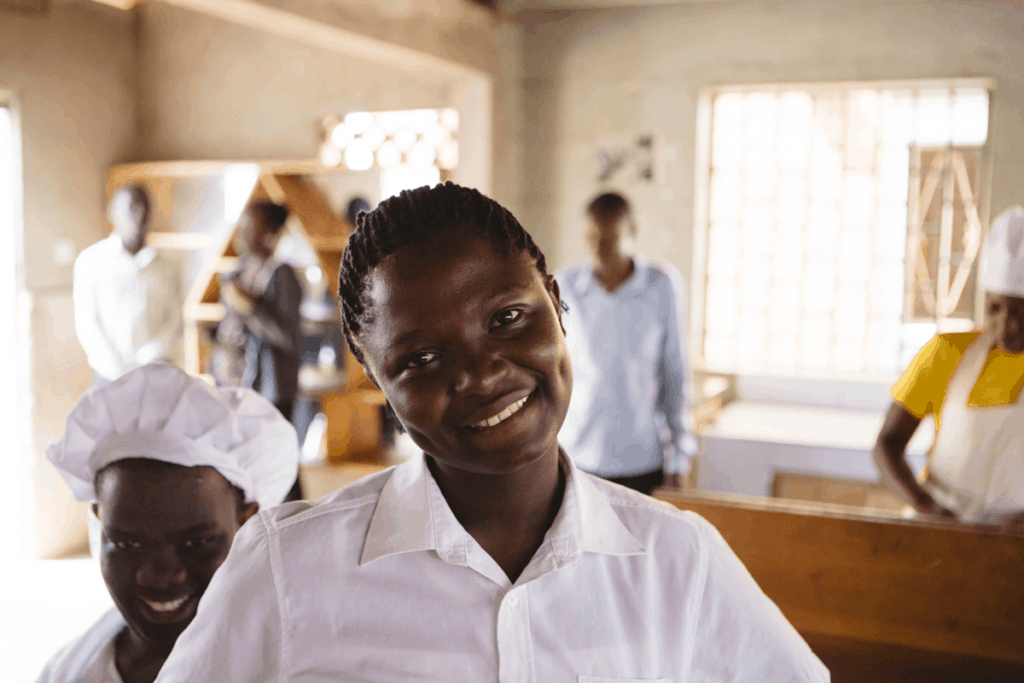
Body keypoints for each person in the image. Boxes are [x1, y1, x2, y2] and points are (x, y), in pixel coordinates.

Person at [154, 183, 826, 682]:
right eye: (419, 359)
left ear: (558, 305)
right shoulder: (285, 568)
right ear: (379, 381)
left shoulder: (677, 561)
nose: (479, 374)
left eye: (507, 317)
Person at [38, 363, 299, 683]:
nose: (159, 575)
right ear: (99, 519)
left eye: (195, 543)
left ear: (246, 523)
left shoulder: (293, 666)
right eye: (127, 543)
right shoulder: (65, 674)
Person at [874, 205, 1024, 526]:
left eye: (1023, 312)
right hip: (938, 531)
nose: (1008, 324)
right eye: (996, 308)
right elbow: (887, 444)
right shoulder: (945, 353)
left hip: (1014, 548)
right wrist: (925, 505)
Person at [556, 192, 696, 495]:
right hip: (578, 456)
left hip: (642, 459)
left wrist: (680, 456)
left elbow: (675, 372)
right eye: (591, 237)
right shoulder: (564, 286)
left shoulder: (662, 285)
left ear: (632, 234)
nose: (599, 248)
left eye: (610, 238)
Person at [73, 185, 183, 387]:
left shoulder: (168, 265)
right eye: (132, 208)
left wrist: (146, 362)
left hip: (156, 375)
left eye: (144, 208)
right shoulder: (91, 261)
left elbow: (175, 320)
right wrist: (119, 371)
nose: (139, 215)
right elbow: (88, 323)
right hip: (109, 378)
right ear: (113, 212)